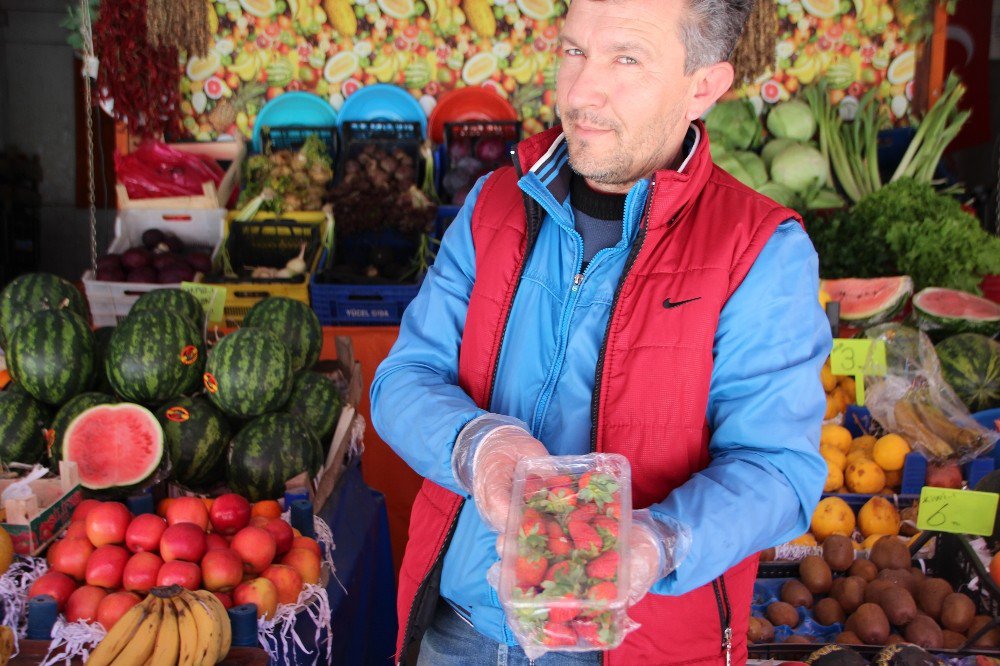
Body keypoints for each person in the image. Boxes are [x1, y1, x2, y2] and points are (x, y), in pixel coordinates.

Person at [370, 0, 831, 663]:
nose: (580, 91)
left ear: (703, 86)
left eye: (627, 58)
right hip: (455, 630)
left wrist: (656, 542)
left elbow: (780, 470)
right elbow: (403, 380)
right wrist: (482, 444)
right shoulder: (493, 205)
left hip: (635, 645)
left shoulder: (758, 249)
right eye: (573, 51)